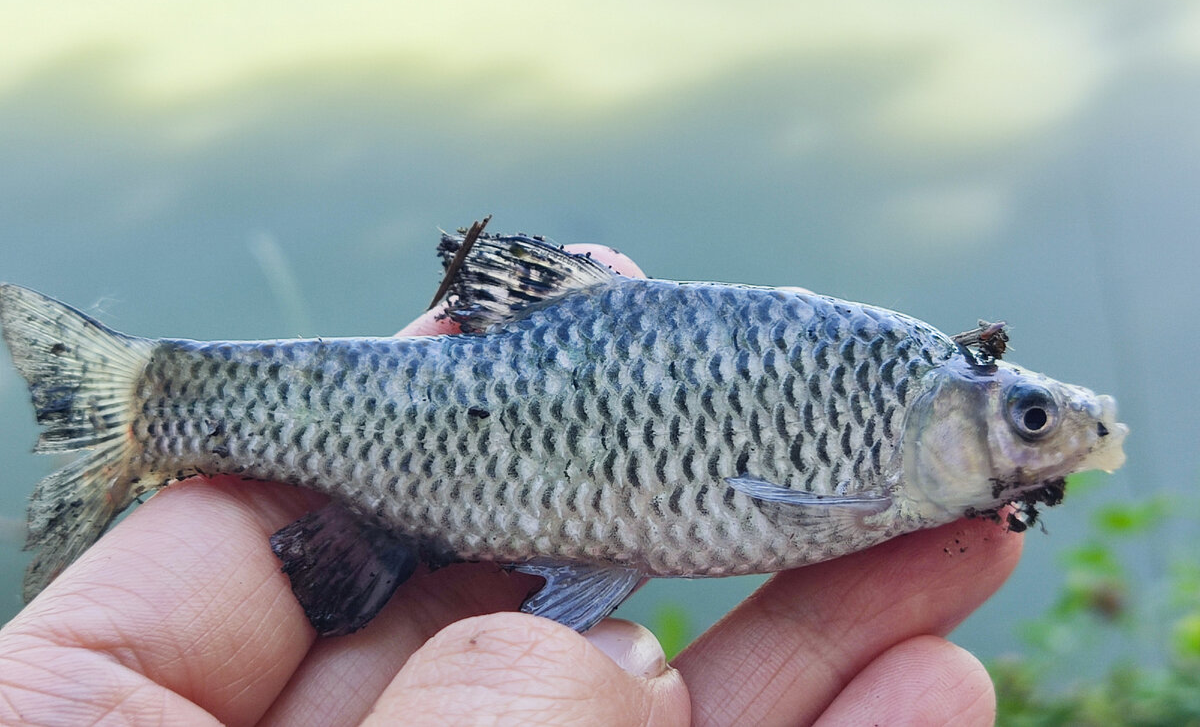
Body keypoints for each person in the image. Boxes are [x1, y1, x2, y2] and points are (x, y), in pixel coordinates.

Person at [0, 245, 1021, 726]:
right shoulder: (888, 411)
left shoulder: (889, 402)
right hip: (437, 480)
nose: (1057, 439)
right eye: (1031, 419)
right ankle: (135, 399)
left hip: (441, 501)